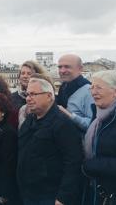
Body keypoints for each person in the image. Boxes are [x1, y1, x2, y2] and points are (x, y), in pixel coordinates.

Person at [16, 77, 83, 205]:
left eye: (33, 94)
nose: (28, 98)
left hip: (50, 195)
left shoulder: (62, 124)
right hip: (28, 192)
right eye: (27, 94)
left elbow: (73, 162)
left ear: (48, 96)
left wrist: (63, 197)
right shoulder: (29, 120)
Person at [82, 70, 116, 204]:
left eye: (99, 87)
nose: (93, 92)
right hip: (98, 192)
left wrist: (89, 165)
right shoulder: (99, 116)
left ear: (115, 92)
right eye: (92, 87)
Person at [56, 54, 94, 131]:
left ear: (80, 69)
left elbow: (93, 125)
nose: (62, 71)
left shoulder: (89, 91)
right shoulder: (64, 86)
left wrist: (70, 116)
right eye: (60, 67)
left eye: (67, 67)